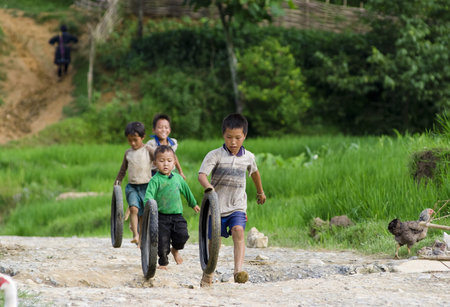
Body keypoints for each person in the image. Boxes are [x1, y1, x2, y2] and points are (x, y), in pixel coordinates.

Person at [198, 113, 266, 286]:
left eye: (237, 137)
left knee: (238, 230)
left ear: (244, 136)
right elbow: (202, 175)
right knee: (215, 242)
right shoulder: (215, 155)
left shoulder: (248, 157)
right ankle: (209, 273)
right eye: (229, 137)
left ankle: (238, 271)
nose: (233, 142)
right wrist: (208, 187)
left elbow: (255, 173)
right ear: (223, 135)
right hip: (216, 207)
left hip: (237, 206)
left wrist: (260, 192)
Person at [144, 145, 200, 269]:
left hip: (177, 215)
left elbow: (187, 191)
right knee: (162, 242)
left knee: (183, 235)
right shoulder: (155, 180)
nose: (165, 164)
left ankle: (175, 250)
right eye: (161, 161)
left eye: (169, 161)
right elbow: (149, 196)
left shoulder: (178, 178)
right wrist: (148, 207)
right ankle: (163, 262)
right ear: (155, 163)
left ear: (174, 162)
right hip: (161, 216)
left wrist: (193, 203)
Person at [115, 121, 153, 245]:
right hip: (132, 186)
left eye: (135, 140)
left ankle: (141, 238)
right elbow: (123, 169)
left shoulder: (148, 150)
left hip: (146, 186)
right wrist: (118, 181)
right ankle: (135, 234)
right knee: (133, 209)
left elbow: (159, 159)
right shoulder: (128, 153)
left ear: (143, 137)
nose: (132, 143)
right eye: (130, 140)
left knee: (142, 214)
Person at [146, 114, 186, 179]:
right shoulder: (151, 144)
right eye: (160, 127)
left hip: (171, 172)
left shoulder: (172, 142)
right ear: (153, 130)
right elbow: (147, 161)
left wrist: (180, 172)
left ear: (169, 130)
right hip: (155, 173)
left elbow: (174, 156)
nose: (163, 130)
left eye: (166, 127)